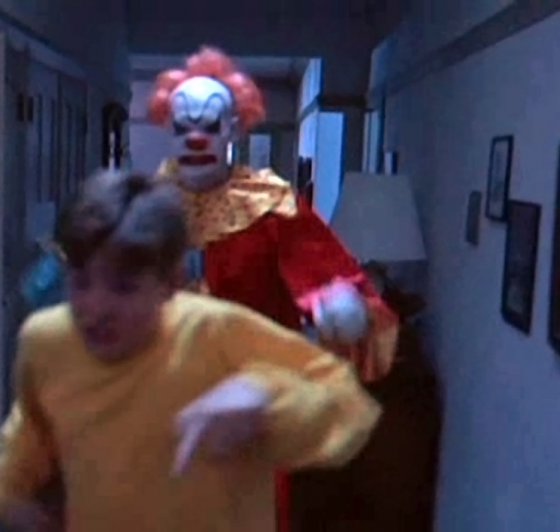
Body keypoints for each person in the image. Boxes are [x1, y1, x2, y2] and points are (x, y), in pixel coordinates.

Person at [0, 169, 381, 531]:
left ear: (170, 284)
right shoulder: (47, 342)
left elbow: (348, 406)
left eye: (124, 287)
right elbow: (29, 437)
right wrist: (6, 493)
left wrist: (266, 398)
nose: (95, 308)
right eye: (81, 282)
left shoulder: (215, 332)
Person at [147, 45, 399, 531]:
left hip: (250, 406)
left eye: (210, 124)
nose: (196, 137)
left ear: (234, 129)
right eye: (183, 125)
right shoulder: (145, 205)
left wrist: (340, 306)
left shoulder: (270, 206)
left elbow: (337, 285)